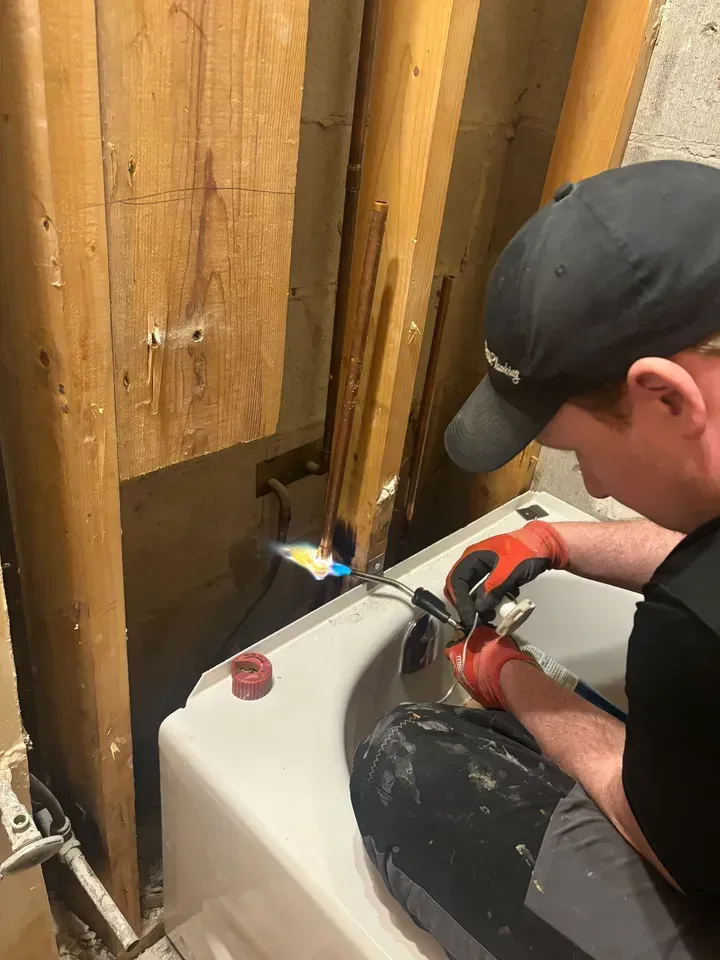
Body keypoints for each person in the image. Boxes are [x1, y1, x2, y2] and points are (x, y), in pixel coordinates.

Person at [349, 160, 720, 959]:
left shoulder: (690, 635)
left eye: (576, 450)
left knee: (407, 757)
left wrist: (508, 678)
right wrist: (558, 540)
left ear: (665, 398)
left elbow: (663, 836)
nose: (584, 484)